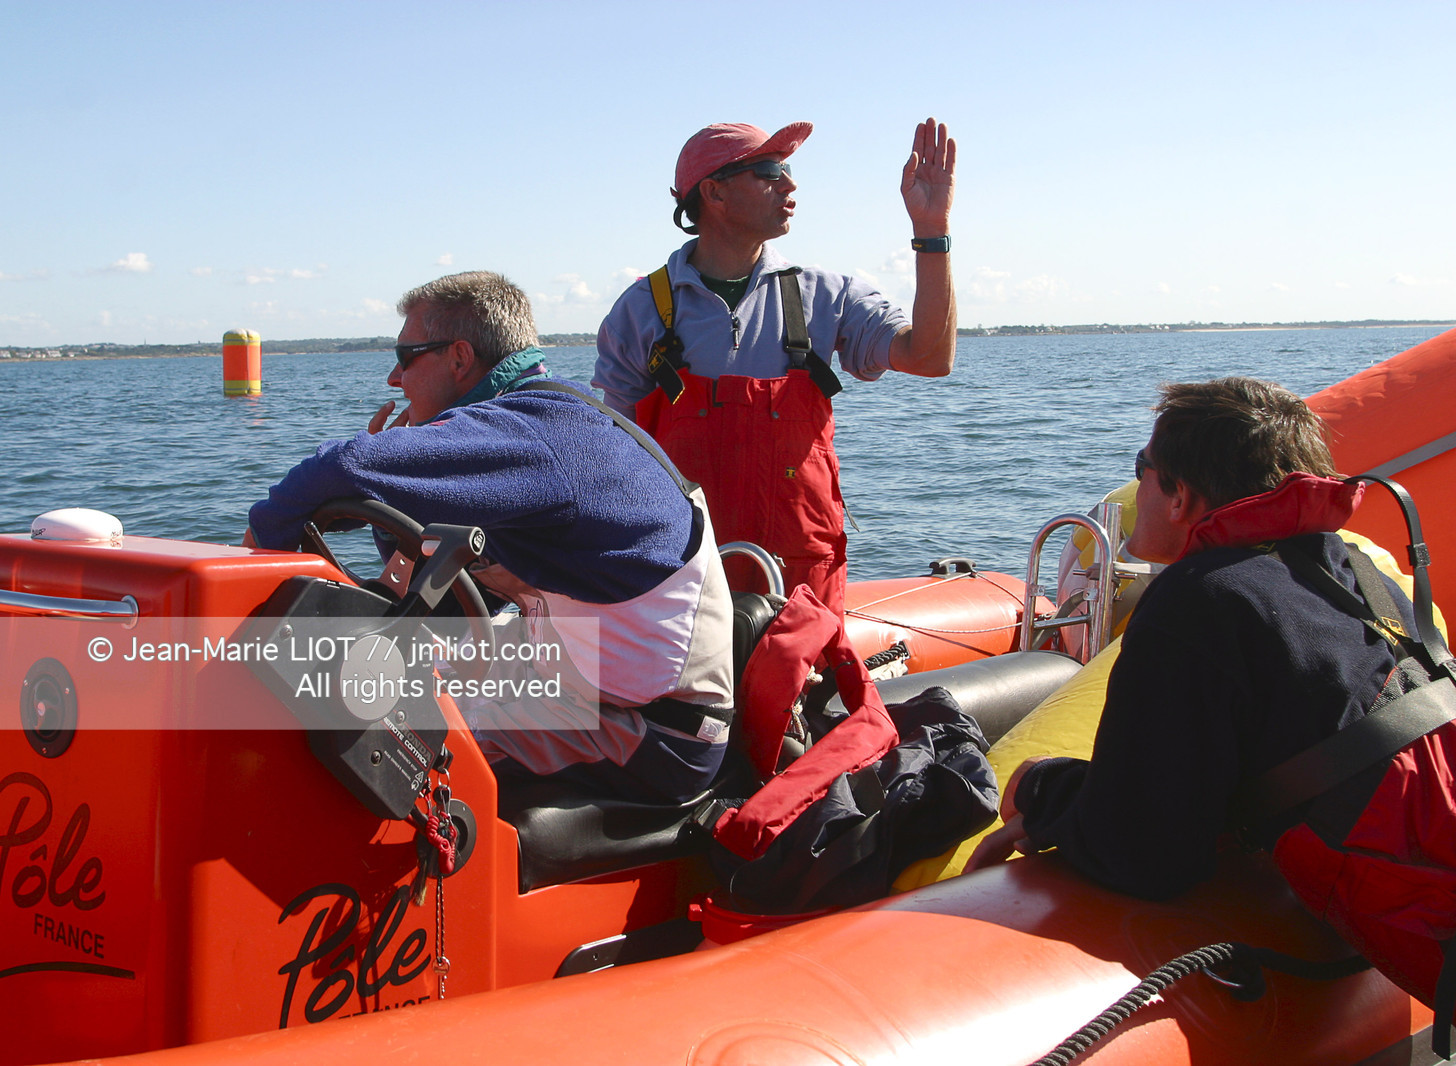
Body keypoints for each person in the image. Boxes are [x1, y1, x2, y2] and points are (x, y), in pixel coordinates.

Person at [245, 271, 735, 805]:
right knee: (375, 683)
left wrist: (258, 549)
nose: (392, 377)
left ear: (459, 357)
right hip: (585, 676)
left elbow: (339, 466)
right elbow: (436, 582)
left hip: (654, 735)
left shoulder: (538, 436)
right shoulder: (540, 423)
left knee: (385, 742)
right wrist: (396, 490)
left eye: (405, 355)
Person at [965, 377, 1421, 898]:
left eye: (1143, 468)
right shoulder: (1360, 572)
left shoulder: (1200, 598)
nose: (1137, 485)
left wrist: (1045, 793)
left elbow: (1142, 851)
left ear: (1179, 495)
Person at [594, 118, 959, 617]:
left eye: (787, 168)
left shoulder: (829, 297)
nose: (790, 183)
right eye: (769, 170)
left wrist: (931, 232)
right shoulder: (639, 311)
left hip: (801, 589)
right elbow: (609, 462)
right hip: (680, 586)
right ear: (714, 192)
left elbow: (930, 357)